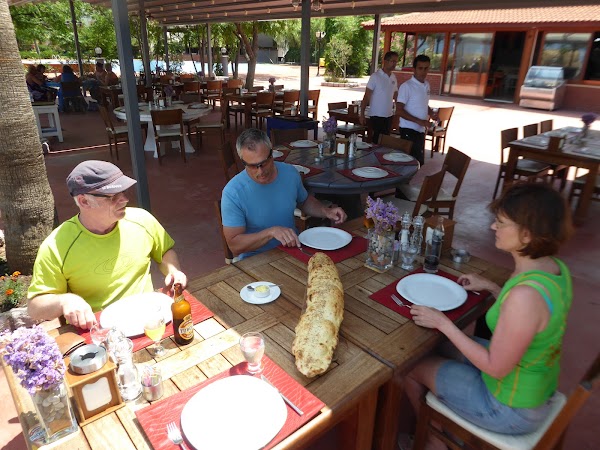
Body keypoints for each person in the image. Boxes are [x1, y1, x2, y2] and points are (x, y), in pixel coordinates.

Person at [404, 183, 573, 448]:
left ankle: (433, 442)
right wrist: (493, 287)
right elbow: (533, 316)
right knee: (435, 349)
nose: (493, 227)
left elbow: (496, 366)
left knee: (410, 367)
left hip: (510, 407)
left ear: (527, 235)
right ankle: (442, 424)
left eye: (501, 223)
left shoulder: (524, 297)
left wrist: (444, 323)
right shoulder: (553, 269)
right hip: (533, 385)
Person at [27, 160, 187, 330]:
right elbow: (35, 307)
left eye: (123, 192)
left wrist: (173, 271)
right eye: (113, 196)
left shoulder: (142, 220)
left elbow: (164, 252)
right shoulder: (56, 245)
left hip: (150, 319)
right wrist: (65, 300)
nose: (124, 199)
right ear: (84, 202)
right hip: (99, 331)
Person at [221, 128, 348, 260]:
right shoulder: (233, 192)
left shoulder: (290, 173)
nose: (260, 171)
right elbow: (234, 245)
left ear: (271, 155)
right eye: (253, 166)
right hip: (255, 258)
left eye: (264, 163)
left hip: (293, 249)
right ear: (243, 162)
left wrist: (325, 211)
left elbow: (304, 201)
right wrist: (270, 232)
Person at [397, 54, 436, 166]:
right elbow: (399, 110)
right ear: (414, 69)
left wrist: (431, 113)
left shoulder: (426, 85)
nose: (423, 71)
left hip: (420, 130)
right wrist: (420, 121)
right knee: (409, 163)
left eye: (426, 68)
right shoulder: (407, 86)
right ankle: (404, 183)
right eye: (420, 68)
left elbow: (424, 104)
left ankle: (408, 183)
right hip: (408, 130)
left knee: (418, 162)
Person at [359, 51, 399, 145]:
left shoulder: (393, 77)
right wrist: (362, 114)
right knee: (375, 142)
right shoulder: (375, 77)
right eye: (392, 61)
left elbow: (396, 95)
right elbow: (367, 96)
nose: (394, 64)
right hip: (376, 115)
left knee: (385, 142)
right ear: (385, 61)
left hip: (388, 115)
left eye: (396, 62)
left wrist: (398, 113)